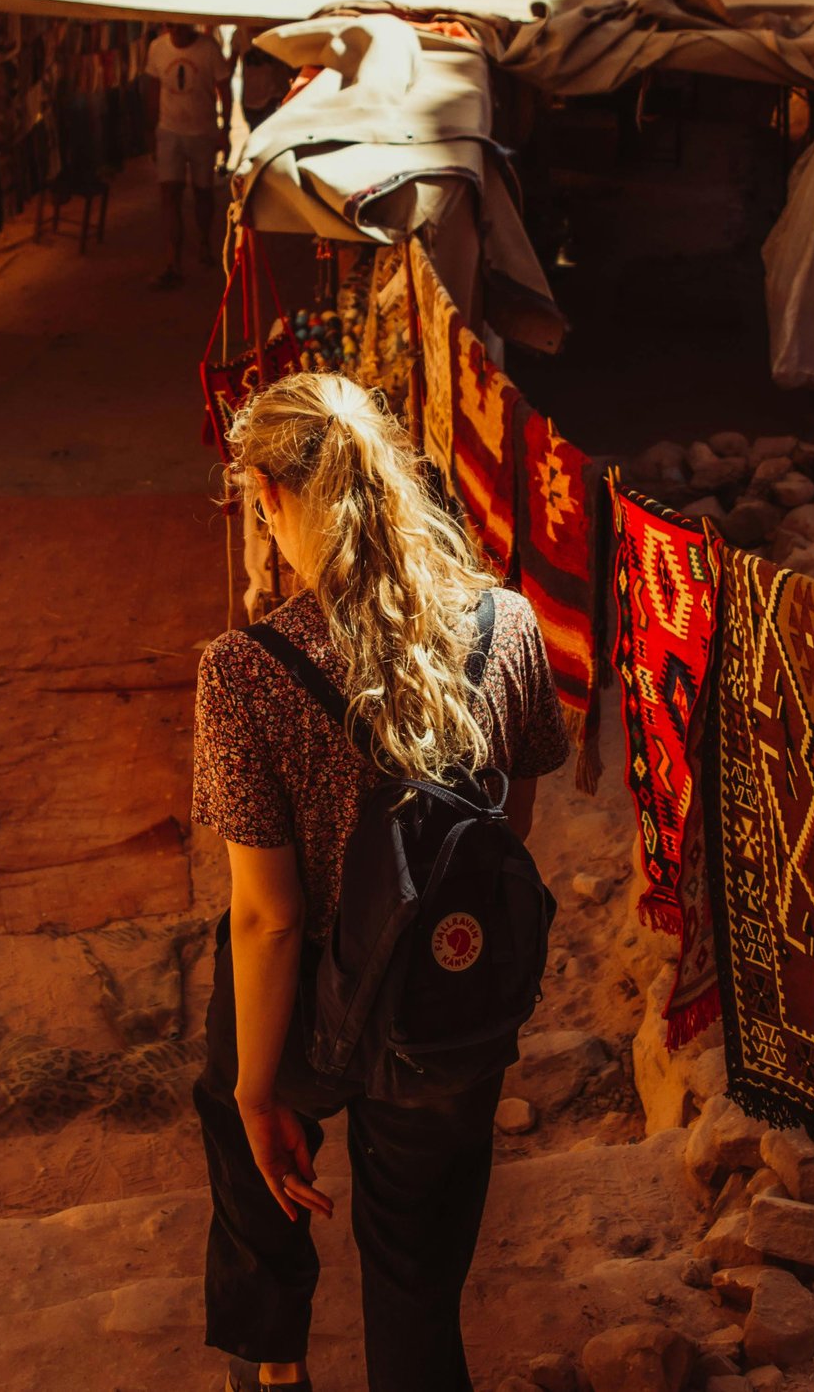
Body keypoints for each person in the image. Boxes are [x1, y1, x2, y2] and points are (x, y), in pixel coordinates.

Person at [190, 372, 569, 1392]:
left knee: (248, 1152)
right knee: (417, 1276)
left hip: (304, 1017)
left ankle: (272, 1370)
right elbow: (508, 835)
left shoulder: (246, 670)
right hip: (444, 1003)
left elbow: (269, 919)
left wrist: (257, 1088)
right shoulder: (510, 627)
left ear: (271, 496)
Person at [145, 23, 231, 288]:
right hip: (169, 131)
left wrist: (223, 130)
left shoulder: (208, 49)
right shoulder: (157, 48)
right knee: (170, 194)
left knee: (203, 192)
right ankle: (174, 260)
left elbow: (224, 90)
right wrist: (151, 130)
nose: (178, 32)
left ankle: (204, 241)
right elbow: (152, 87)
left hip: (202, 132)